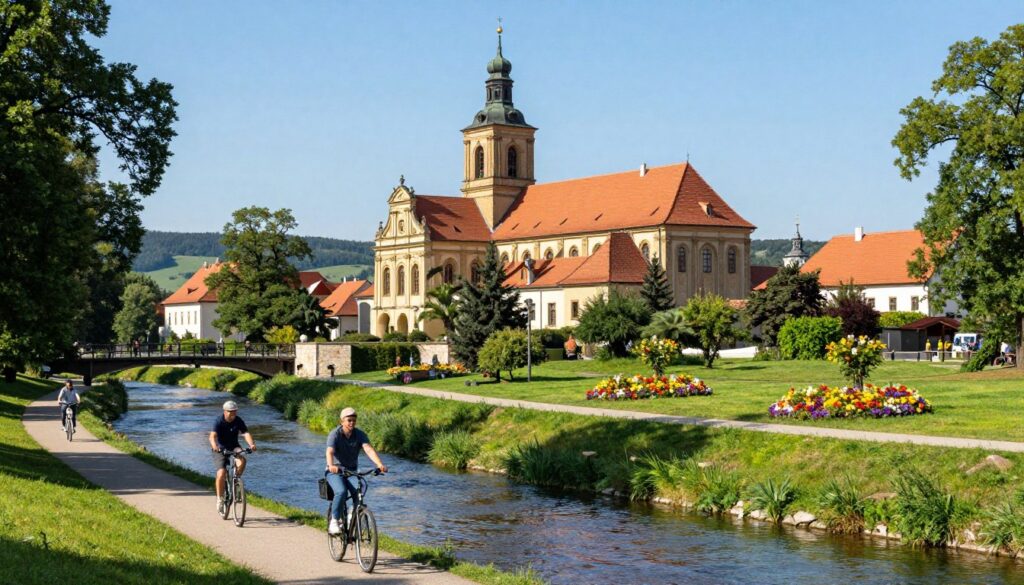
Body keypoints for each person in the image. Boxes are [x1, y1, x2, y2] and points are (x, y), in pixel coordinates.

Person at [324, 407, 387, 535]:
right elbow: (329, 451)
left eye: (354, 420)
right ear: (342, 421)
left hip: (352, 471)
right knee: (341, 491)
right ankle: (335, 521)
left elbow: (368, 449)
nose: (352, 423)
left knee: (360, 490)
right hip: (335, 471)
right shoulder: (335, 434)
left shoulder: (359, 434)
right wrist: (331, 465)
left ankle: (353, 512)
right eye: (349, 420)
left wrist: (379, 464)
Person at [209, 400, 256, 514]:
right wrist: (215, 446)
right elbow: (212, 436)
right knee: (221, 473)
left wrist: (251, 444)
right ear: (225, 411)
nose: (233, 413)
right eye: (230, 411)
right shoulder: (219, 421)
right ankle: (220, 498)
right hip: (220, 449)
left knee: (242, 459)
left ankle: (236, 482)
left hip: (234, 446)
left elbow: (245, 433)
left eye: (235, 411)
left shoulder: (238, 420)